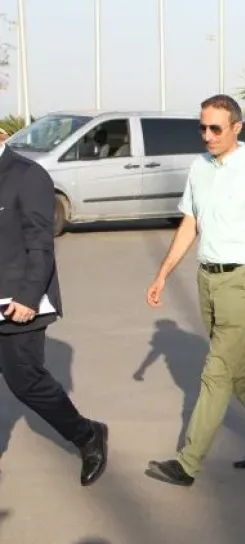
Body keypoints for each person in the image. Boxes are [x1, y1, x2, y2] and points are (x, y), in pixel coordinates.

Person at [143, 94, 245, 486]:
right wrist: (163, 274)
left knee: (216, 370)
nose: (207, 135)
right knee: (242, 367)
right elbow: (189, 224)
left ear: (237, 128)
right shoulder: (199, 168)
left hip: (244, 280)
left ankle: (188, 462)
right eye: (202, 128)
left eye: (216, 128)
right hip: (208, 278)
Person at [0, 143, 108, 486]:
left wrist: (29, 297)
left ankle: (87, 435)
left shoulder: (27, 175)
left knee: (26, 382)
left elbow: (40, 244)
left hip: (16, 303)